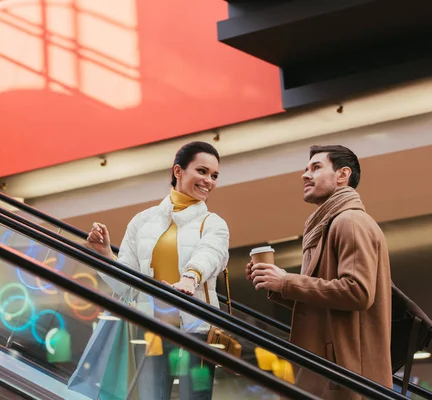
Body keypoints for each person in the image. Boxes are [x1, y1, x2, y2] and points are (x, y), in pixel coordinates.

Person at [87, 141, 230, 400]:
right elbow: (128, 286)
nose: (209, 180)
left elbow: (212, 253)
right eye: (202, 171)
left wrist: (191, 277)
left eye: (214, 175)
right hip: (151, 331)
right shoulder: (143, 221)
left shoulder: (213, 223)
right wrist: (106, 255)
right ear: (178, 171)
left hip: (196, 332)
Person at [247, 145, 392, 399]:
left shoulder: (350, 221)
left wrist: (287, 282)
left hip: (346, 376)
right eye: (306, 169)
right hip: (333, 371)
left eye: (316, 167)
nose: (305, 175)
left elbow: (358, 292)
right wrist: (276, 282)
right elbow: (325, 304)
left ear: (342, 175)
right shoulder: (326, 226)